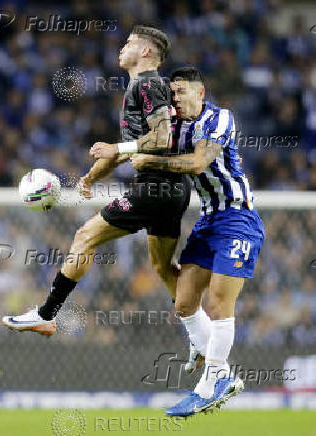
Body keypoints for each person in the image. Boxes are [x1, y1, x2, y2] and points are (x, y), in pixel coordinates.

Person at [2, 26, 192, 338]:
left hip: (153, 185)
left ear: (145, 51)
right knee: (164, 268)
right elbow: (133, 148)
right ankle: (205, 342)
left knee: (85, 236)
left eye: (129, 43)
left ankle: (46, 314)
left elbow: (161, 137)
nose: (122, 47)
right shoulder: (143, 88)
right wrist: (90, 177)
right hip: (171, 187)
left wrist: (118, 148)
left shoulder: (148, 83)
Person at [125, 66, 265, 415]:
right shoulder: (174, 128)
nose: (176, 98)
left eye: (182, 91)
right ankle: (222, 372)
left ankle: (211, 383)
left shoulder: (219, 119)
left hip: (238, 218)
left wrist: (152, 158)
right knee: (185, 301)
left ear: (201, 93)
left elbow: (200, 162)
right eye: (172, 94)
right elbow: (144, 144)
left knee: (218, 303)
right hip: (208, 221)